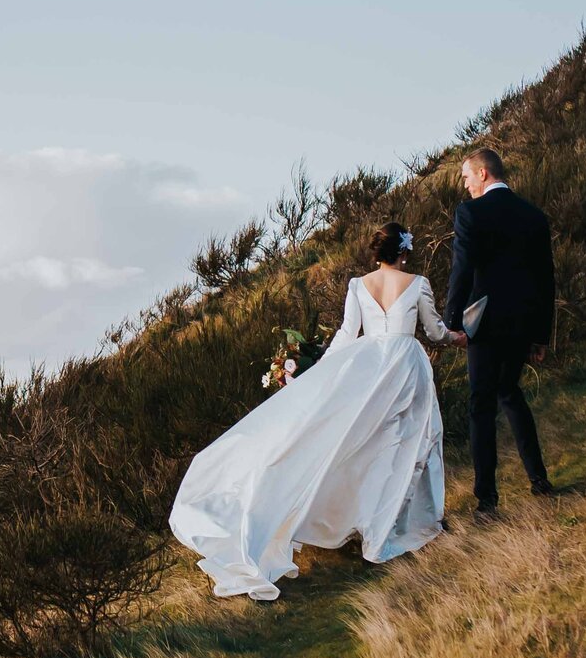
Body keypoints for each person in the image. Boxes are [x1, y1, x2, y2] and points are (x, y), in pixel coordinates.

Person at [169, 222, 465, 601]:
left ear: (377, 253)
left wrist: (323, 370)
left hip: (371, 366)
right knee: (411, 444)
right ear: (404, 251)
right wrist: (457, 338)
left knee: (366, 447)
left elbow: (347, 333)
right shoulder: (418, 283)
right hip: (406, 367)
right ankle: (392, 524)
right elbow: (435, 331)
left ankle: (371, 522)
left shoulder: (359, 285)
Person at [445, 146, 558, 517]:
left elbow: (462, 270)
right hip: (524, 323)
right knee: (510, 391)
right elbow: (546, 280)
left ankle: (487, 499)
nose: (464, 186)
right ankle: (539, 479)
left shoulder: (470, 213)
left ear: (482, 174)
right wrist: (541, 335)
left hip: (486, 324)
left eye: (465, 177)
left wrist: (451, 322)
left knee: (481, 405)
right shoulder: (534, 216)